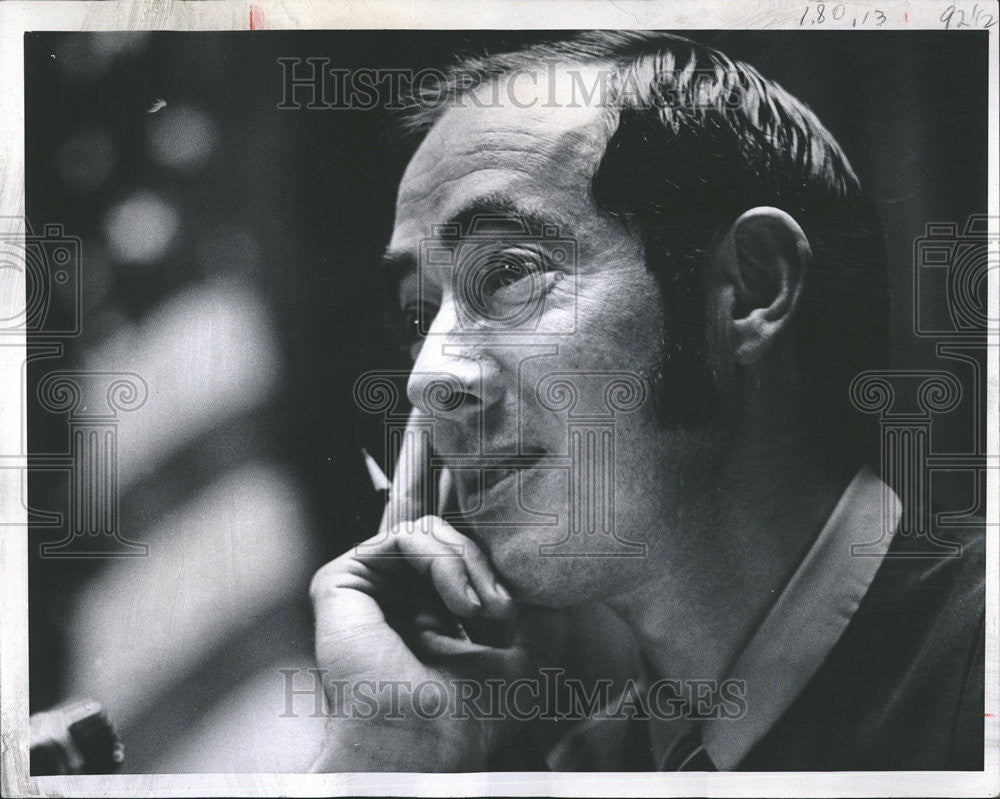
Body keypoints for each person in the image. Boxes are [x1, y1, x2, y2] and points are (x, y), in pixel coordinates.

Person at [308, 32, 984, 771]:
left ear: (751, 288)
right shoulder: (583, 772)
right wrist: (386, 750)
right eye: (417, 315)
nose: (427, 378)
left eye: (506, 273)